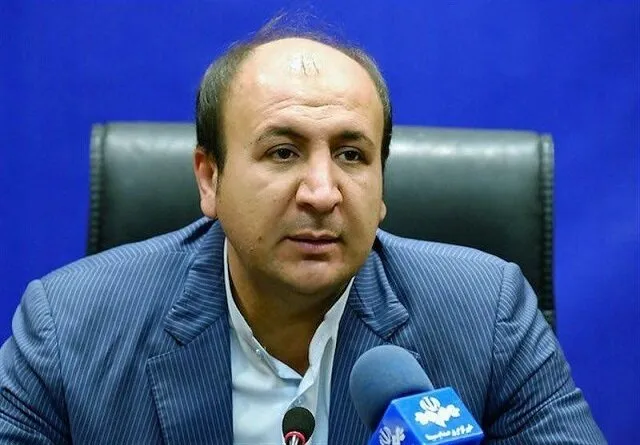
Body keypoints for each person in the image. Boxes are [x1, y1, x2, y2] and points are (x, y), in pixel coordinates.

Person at [0, 18, 605, 445]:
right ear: (209, 178)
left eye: (351, 155)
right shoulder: (67, 329)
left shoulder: (487, 316)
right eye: (283, 152)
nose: (321, 192)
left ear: (382, 185)